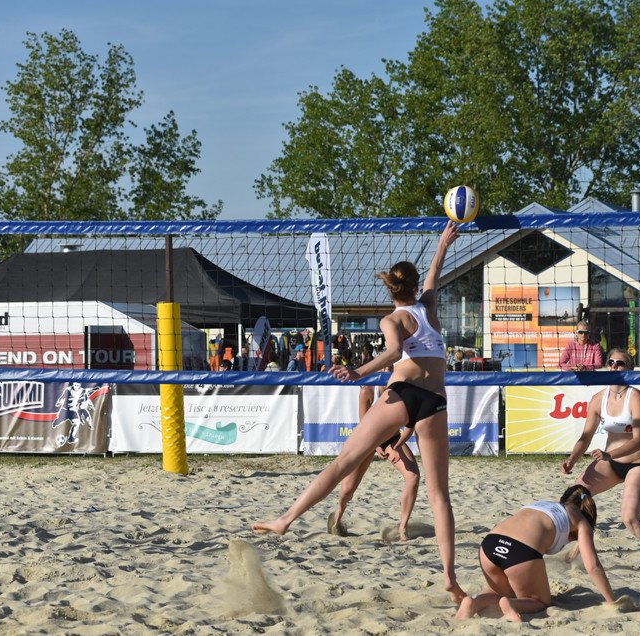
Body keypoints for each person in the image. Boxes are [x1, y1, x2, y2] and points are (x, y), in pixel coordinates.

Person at [254, 221, 465, 602]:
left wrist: (358, 372)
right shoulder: (430, 309)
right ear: (415, 287)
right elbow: (434, 274)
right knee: (440, 496)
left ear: (390, 289)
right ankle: (449, 575)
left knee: (342, 463)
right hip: (434, 401)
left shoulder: (392, 319)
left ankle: (286, 520)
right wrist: (442, 243)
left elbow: (394, 352)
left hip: (402, 394)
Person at [560, 348, 640, 569]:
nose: (614, 366)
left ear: (628, 369)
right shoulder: (598, 399)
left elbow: (638, 440)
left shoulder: (635, 396)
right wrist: (572, 459)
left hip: (637, 464)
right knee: (573, 500)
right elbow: (586, 436)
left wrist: (609, 454)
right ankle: (578, 548)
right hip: (610, 464)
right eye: (610, 362)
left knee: (630, 519)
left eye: (619, 363)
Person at [454, 485, 614, 622]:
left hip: (489, 545)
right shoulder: (581, 521)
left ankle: (473, 603)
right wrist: (612, 601)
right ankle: (511, 604)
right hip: (519, 551)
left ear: (564, 499)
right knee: (540, 602)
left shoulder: (541, 505)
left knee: (500, 591)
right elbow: (593, 566)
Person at [327, 382, 420, 541]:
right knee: (348, 489)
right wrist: (376, 446)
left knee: (413, 476)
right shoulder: (367, 391)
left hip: (391, 439)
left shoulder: (403, 390)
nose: (388, 371)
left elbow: (410, 426)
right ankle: (338, 515)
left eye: (391, 369)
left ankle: (403, 528)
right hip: (366, 438)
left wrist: (397, 445)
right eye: (385, 369)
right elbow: (365, 425)